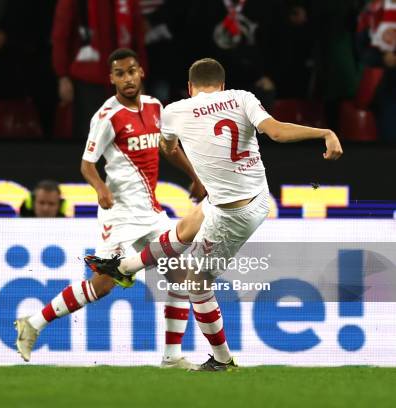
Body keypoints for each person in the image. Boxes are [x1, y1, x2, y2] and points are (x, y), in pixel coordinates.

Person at [85, 57, 343, 371]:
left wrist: (179, 148)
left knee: (196, 281)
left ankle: (222, 360)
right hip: (256, 196)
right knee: (186, 228)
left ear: (190, 87)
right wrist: (324, 132)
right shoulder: (243, 98)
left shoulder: (174, 111)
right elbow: (275, 132)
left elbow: (167, 148)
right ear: (222, 84)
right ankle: (124, 267)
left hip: (232, 215)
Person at [15, 48, 205, 369]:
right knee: (102, 285)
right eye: (120, 74)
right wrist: (101, 188)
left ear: (141, 72)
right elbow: (87, 164)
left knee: (180, 277)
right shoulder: (107, 116)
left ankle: (172, 357)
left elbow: (168, 148)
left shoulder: (157, 107)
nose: (127, 79)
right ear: (111, 79)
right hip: (119, 216)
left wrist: (195, 177)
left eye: (131, 71)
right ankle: (33, 323)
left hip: (151, 212)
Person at [52, 0, 148, 139]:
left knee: (125, 139)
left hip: (122, 80)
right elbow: (61, 36)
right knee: (93, 140)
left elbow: (136, 38)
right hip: (88, 81)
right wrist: (63, 76)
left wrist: (139, 76)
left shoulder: (128, 2)